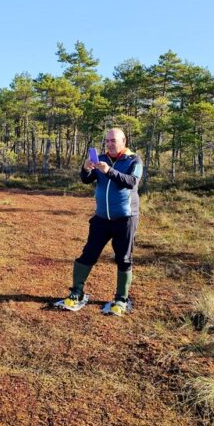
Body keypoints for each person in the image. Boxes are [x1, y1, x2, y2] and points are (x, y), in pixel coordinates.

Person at [62, 128, 142, 316]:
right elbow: (86, 180)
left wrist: (109, 171)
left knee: (123, 259)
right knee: (88, 254)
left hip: (125, 219)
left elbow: (131, 182)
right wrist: (86, 168)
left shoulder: (133, 160)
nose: (109, 144)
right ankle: (77, 292)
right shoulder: (100, 158)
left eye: (113, 140)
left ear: (124, 141)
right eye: (107, 141)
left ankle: (121, 299)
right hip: (101, 219)